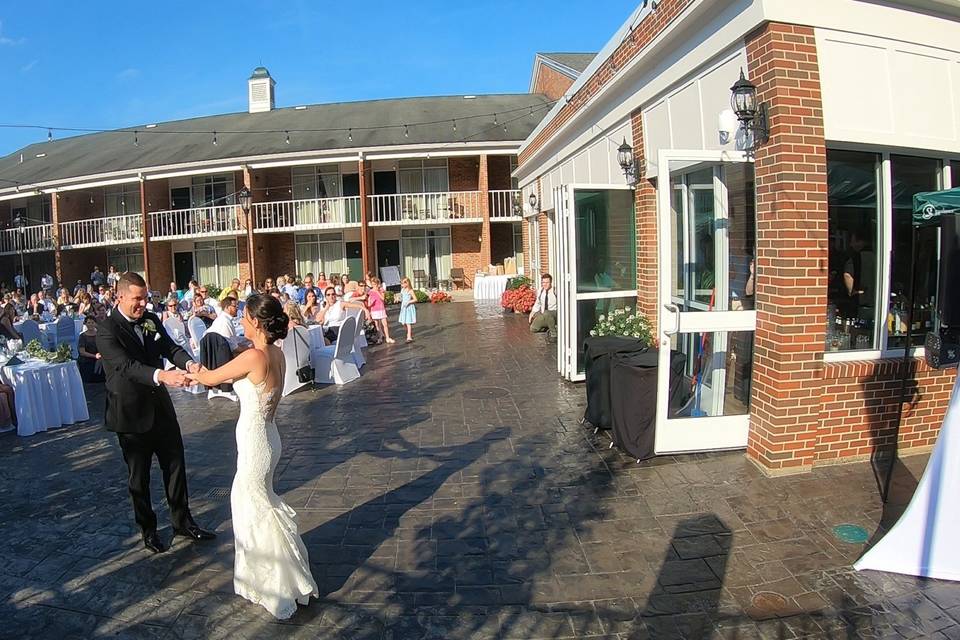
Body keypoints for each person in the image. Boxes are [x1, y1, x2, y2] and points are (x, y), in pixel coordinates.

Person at [186, 294, 317, 619]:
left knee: (253, 508)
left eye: (244, 317)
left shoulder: (253, 356)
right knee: (257, 505)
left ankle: (276, 584)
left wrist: (189, 368)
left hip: (256, 442)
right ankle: (267, 579)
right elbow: (239, 380)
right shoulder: (275, 354)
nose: (240, 322)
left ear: (256, 322)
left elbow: (209, 379)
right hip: (270, 438)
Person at [96, 271, 216, 554]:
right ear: (120, 296)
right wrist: (163, 376)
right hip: (130, 415)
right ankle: (148, 530)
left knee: (175, 466)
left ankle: (182, 521)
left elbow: (170, 347)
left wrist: (190, 364)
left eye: (145, 298)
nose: (142, 305)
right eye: (137, 300)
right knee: (139, 478)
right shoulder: (107, 329)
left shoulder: (150, 320)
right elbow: (126, 367)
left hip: (160, 409)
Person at [366, 277, 394, 344]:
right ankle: (380, 337)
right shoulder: (370, 292)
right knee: (377, 325)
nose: (374, 286)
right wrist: (370, 304)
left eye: (375, 284)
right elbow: (369, 303)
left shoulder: (381, 290)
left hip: (381, 309)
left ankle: (387, 337)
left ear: (378, 284)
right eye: (373, 284)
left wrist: (377, 292)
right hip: (374, 310)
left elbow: (383, 299)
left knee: (385, 324)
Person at [77, 316, 105, 383]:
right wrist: (95, 356)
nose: (91, 324)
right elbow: (82, 352)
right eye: (89, 323)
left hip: (100, 359)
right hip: (87, 361)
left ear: (95, 323)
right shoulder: (83, 336)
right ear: (85, 324)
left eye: (92, 322)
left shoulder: (100, 334)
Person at [529, 273, 558, 338]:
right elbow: (537, 303)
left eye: (547, 282)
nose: (545, 284)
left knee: (547, 312)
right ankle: (550, 328)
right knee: (533, 329)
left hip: (554, 314)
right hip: (544, 314)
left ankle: (554, 334)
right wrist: (532, 312)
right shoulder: (541, 290)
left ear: (551, 282)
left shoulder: (555, 291)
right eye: (543, 282)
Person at [398, 277, 417, 343]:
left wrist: (409, 302)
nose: (401, 285)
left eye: (403, 283)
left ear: (407, 283)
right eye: (401, 284)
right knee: (404, 322)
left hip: (408, 307)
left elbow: (415, 299)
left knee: (408, 322)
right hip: (403, 307)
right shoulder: (402, 290)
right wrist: (398, 299)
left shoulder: (410, 290)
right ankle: (408, 332)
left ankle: (409, 336)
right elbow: (401, 298)